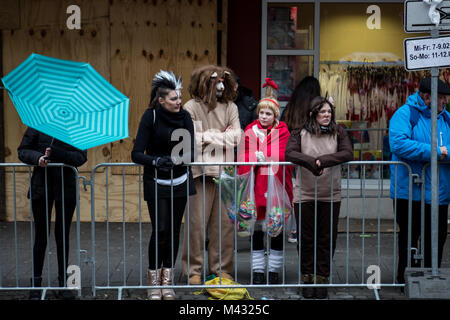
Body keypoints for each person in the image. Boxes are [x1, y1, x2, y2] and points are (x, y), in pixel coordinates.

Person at [131, 70, 196, 300]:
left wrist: (178, 159)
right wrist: (156, 160)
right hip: (156, 180)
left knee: (174, 231)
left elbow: (191, 153)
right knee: (160, 230)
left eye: (179, 97)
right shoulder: (151, 117)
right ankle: (153, 282)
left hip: (180, 180)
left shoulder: (185, 117)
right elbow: (136, 153)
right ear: (161, 100)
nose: (179, 102)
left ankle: (167, 282)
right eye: (174, 98)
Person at [285, 96, 353, 299]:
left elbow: (347, 153)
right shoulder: (300, 132)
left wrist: (322, 161)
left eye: (329, 112)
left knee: (326, 239)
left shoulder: (338, 131)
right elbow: (290, 153)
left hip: (330, 194)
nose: (327, 115)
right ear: (313, 114)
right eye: (322, 112)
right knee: (306, 239)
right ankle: (307, 280)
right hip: (304, 194)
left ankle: (322, 279)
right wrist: (311, 163)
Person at [182, 65, 242, 284]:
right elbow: (192, 139)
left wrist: (208, 137)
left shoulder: (231, 107)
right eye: (215, 82)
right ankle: (194, 270)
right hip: (200, 173)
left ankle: (221, 269)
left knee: (224, 226)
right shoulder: (191, 107)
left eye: (222, 82)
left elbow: (237, 137)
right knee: (196, 225)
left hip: (225, 172)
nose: (220, 86)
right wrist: (219, 136)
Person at [388, 77, 450, 286]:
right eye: (441, 98)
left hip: (438, 192)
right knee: (409, 237)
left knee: (437, 237)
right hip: (410, 191)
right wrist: (435, 152)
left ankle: (431, 277)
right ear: (427, 97)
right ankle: (405, 279)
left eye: (445, 98)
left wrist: (443, 153)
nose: (444, 102)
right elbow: (398, 143)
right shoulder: (405, 114)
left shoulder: (446, 118)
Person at [18, 128, 87, 300]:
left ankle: (64, 284)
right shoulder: (38, 125)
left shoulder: (75, 128)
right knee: (41, 236)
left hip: (66, 189)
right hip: (41, 187)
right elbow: (23, 150)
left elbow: (80, 157)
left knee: (62, 235)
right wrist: (38, 158)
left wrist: (57, 154)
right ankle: (36, 285)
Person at [238, 78, 293, 284]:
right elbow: (242, 156)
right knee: (258, 230)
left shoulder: (283, 131)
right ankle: (258, 270)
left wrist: (267, 158)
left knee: (275, 228)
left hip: (275, 187)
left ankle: (274, 270)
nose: (264, 116)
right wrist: (254, 158)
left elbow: (283, 154)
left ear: (275, 115)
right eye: (261, 112)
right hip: (255, 188)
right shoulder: (250, 130)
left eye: (268, 113)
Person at [280, 76, 321, 243]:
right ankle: (308, 228)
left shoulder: (290, 108)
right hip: (311, 156)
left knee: (295, 192)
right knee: (311, 193)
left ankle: (294, 229)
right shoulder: (315, 110)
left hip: (291, 156)